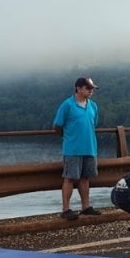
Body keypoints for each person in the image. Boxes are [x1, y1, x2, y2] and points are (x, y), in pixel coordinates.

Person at [53, 76, 101, 221]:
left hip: (89, 147)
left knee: (85, 178)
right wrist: (68, 137)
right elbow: (57, 125)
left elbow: (94, 124)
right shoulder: (67, 105)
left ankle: (85, 207)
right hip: (72, 149)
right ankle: (66, 209)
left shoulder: (93, 106)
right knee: (70, 178)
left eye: (92, 88)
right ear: (78, 88)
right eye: (88, 88)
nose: (91, 91)